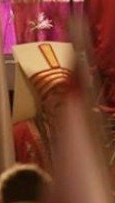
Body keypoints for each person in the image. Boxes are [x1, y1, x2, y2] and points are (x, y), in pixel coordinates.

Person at [10, 41, 74, 170]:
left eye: (65, 92)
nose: (61, 98)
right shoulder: (20, 133)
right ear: (41, 100)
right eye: (54, 92)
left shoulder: (83, 129)